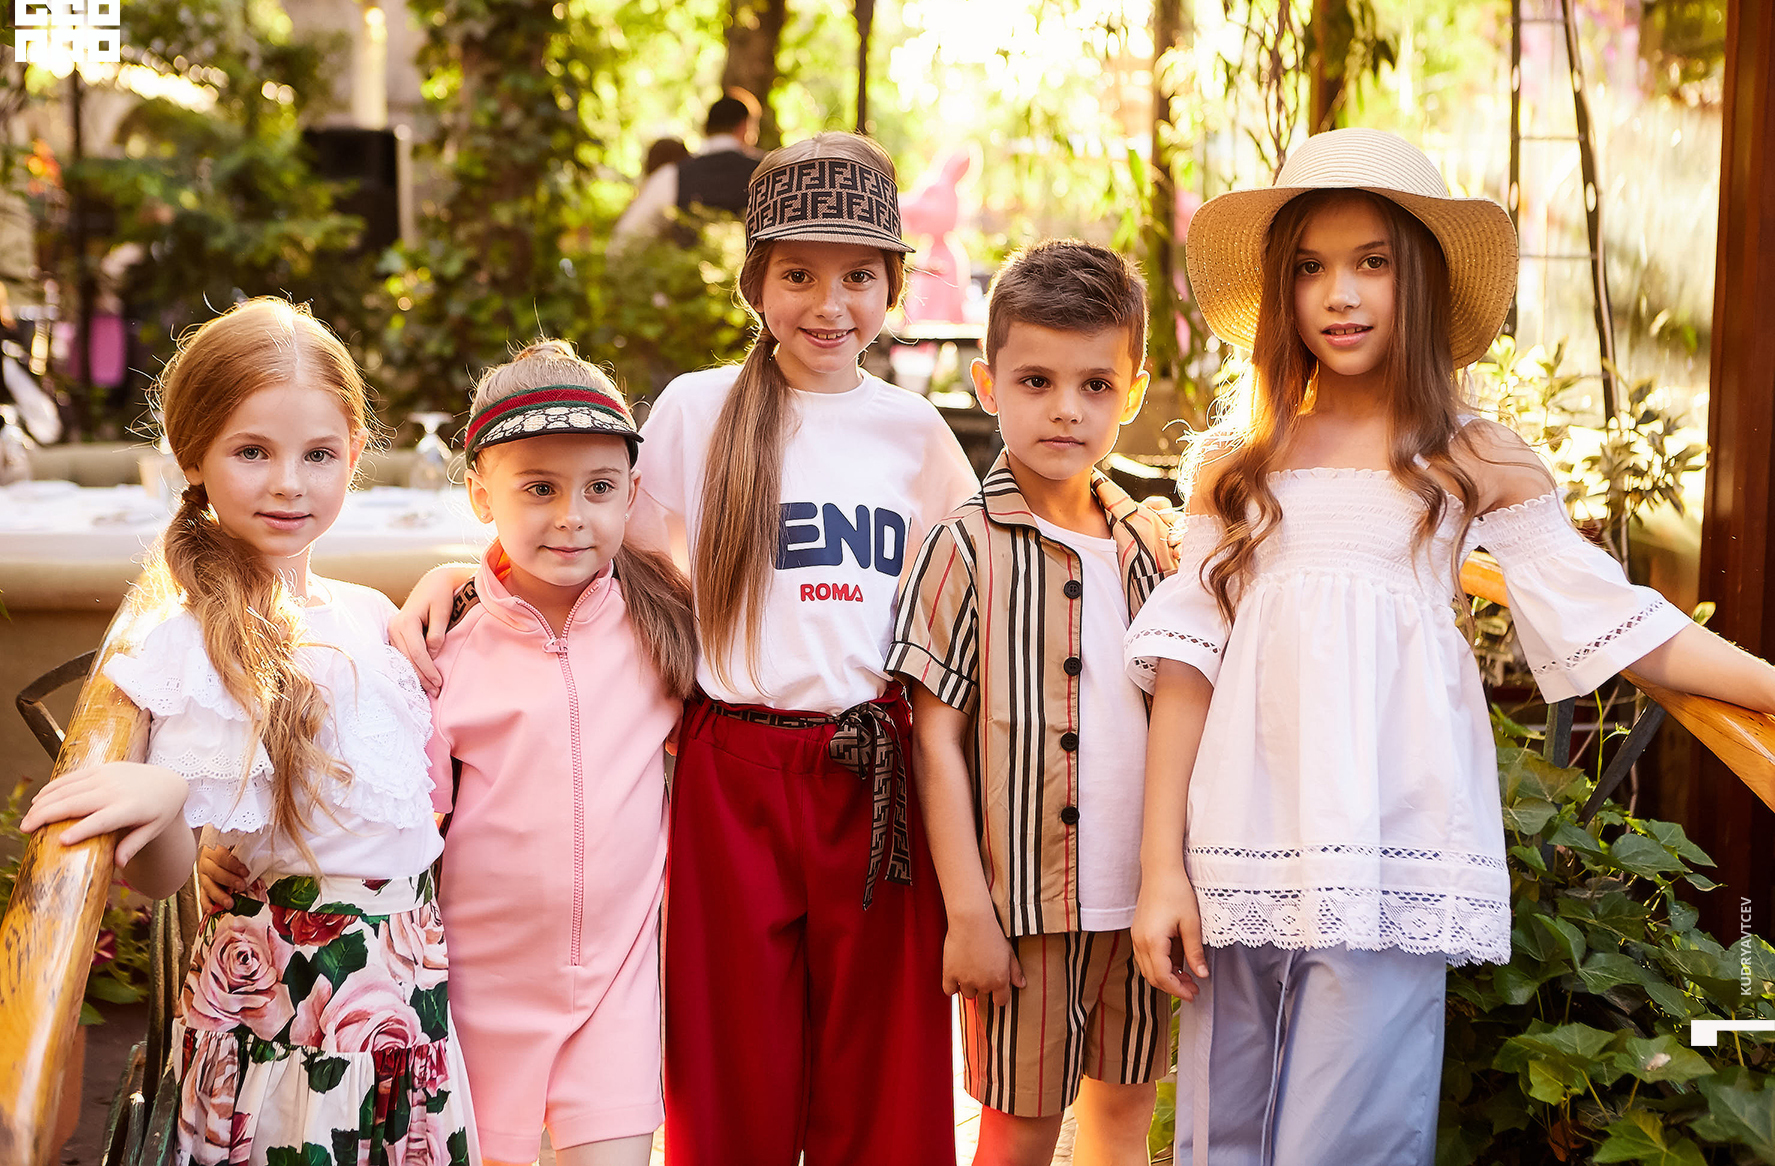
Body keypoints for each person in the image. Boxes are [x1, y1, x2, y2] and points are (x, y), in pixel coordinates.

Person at [1124, 127, 1775, 1165]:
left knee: (1353, 1138)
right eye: (1309, 268)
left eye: (1370, 262)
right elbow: (1184, 665)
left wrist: (1768, 685)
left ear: (1418, 280)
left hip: (1385, 845)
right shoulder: (1236, 467)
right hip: (1236, 845)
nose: (1339, 294)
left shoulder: (1473, 457)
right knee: (1221, 1132)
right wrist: (1161, 867)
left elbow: (1617, 621)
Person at [392, 132, 980, 1166]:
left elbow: (970, 593)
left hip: (871, 771)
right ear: (756, 283)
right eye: (797, 275)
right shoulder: (696, 411)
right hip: (732, 769)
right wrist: (465, 578)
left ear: (894, 285)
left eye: (858, 276)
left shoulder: (916, 433)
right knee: (728, 1066)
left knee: (881, 1073)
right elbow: (598, 550)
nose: (828, 304)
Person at [204, 341, 696, 1166]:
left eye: (599, 488)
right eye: (538, 488)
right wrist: (234, 842)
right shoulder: (439, 649)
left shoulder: (663, 626)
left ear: (631, 493)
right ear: (479, 494)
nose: (571, 515)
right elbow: (384, 811)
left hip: (617, 991)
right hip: (475, 993)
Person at [21, 297, 478, 1166]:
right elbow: (163, 877)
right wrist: (164, 800)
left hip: (402, 993)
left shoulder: (368, 611)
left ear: (354, 453)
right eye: (252, 452)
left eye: (319, 455)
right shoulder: (189, 640)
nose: (288, 484)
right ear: (193, 457)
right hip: (289, 1014)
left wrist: (465, 570)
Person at [890, 240, 1175, 1166]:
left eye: (1095, 385)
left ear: (1131, 393)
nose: (1065, 409)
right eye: (1036, 381)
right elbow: (934, 740)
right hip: (1022, 910)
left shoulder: (1149, 548)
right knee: (1018, 1133)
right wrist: (968, 910)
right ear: (987, 385)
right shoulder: (962, 547)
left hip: (1141, 901)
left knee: (1124, 1115)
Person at [611, 90, 763, 250]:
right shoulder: (769, 173)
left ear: (706, 129)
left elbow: (624, 239)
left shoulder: (672, 175)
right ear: (744, 127)